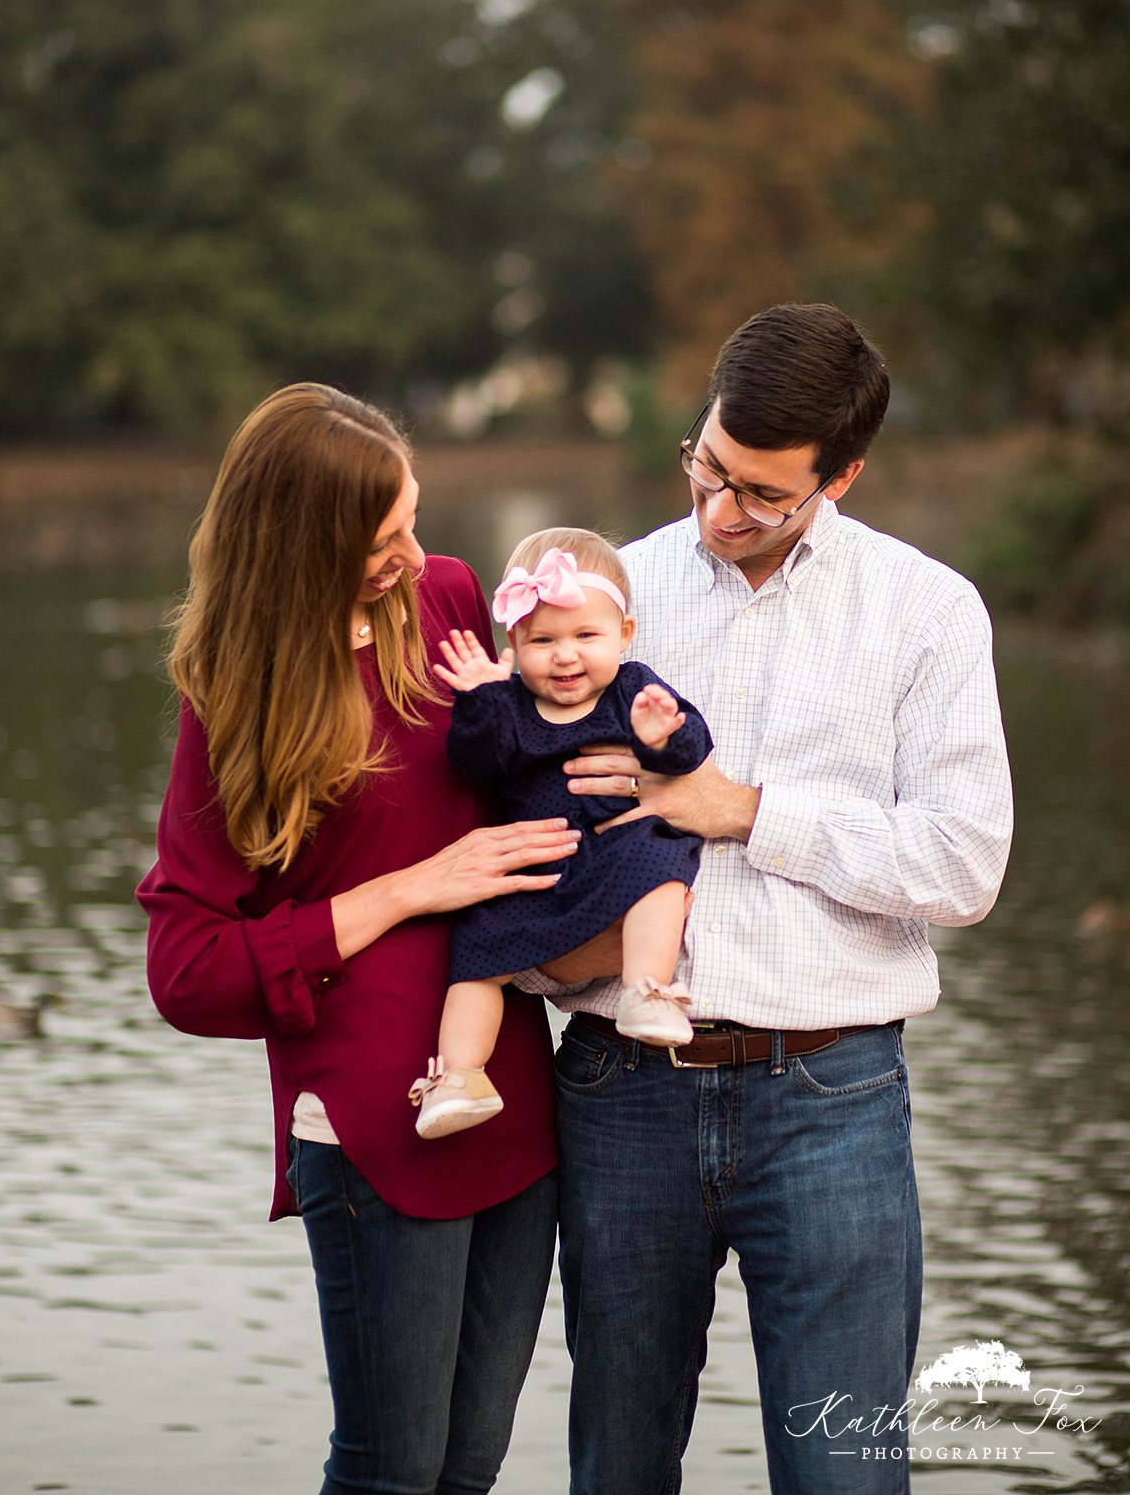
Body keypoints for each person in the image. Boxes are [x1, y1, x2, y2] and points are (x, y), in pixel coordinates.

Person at [519, 305, 1015, 1495]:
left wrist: (745, 812)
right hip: (617, 1088)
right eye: (708, 467)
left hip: (833, 1094)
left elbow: (963, 866)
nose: (719, 512)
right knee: (616, 1471)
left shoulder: (928, 612)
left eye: (761, 495)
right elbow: (519, 822)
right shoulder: (606, 595)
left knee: (845, 1478)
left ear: (840, 476)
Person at [136, 383, 575, 1495]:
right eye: (383, 540)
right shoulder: (232, 695)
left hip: (509, 1085)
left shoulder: (452, 599)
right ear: (302, 542)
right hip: (372, 1120)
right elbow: (186, 972)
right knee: (393, 1470)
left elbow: (528, 766)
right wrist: (407, 889)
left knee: (471, 1465)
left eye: (414, 520)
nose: (415, 555)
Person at [410, 530, 713, 1139]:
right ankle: (458, 1077)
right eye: (542, 640)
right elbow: (478, 760)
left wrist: (660, 739)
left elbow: (691, 748)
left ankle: (646, 988)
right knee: (476, 947)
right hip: (536, 870)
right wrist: (480, 701)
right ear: (514, 644)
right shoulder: (513, 705)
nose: (565, 656)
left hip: (614, 850)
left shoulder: (632, 689)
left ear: (624, 636)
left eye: (585, 636)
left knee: (662, 861)